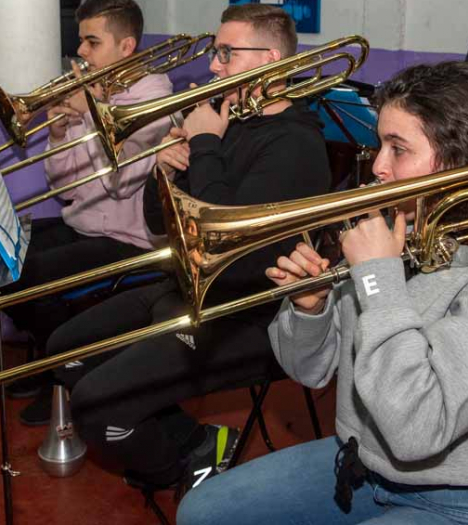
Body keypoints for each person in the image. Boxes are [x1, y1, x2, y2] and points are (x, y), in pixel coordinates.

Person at [45, 3, 331, 494]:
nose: (214, 66)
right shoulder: (227, 122)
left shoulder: (294, 144)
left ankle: (175, 473)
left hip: (245, 312)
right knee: (64, 352)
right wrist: (165, 169)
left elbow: (232, 246)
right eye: (216, 53)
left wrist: (203, 148)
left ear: (268, 60)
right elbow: (158, 223)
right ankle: (197, 443)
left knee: (96, 408)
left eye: (226, 53)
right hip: (187, 285)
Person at [176, 60, 468, 525]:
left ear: (457, 163)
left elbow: (416, 430)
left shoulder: (388, 257)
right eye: (379, 145)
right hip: (361, 461)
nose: (378, 166)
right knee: (201, 513)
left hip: (451, 494)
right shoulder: (394, 229)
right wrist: (309, 309)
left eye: (398, 149)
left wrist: (377, 277)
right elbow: (311, 372)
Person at [0, 0, 174, 426]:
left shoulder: (153, 99)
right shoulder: (94, 91)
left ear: (126, 47)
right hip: (81, 222)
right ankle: (54, 359)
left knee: (28, 275)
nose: (80, 51)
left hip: (128, 238)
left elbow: (120, 184)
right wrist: (59, 133)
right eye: (81, 40)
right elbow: (63, 186)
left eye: (92, 42)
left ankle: (65, 374)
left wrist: (92, 116)